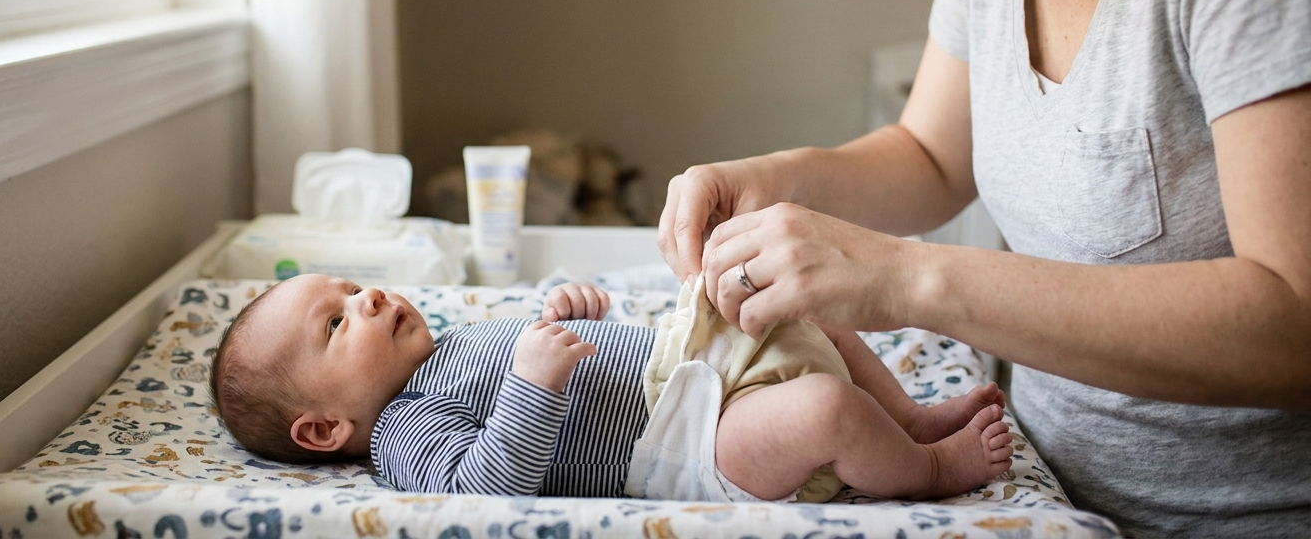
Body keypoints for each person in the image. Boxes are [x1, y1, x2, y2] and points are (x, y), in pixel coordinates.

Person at [663, 0, 1311, 535]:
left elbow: (1294, 319)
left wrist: (906, 278)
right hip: (1039, 500)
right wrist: (766, 182)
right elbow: (931, 158)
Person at [209, 273, 1013, 501]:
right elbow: (486, 488)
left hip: (689, 363)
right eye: (335, 326)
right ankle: (934, 472)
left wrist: (570, 313)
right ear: (321, 429)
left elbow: (548, 348)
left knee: (795, 302)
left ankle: (907, 420)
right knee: (824, 412)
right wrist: (532, 384)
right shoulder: (401, 433)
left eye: (352, 287)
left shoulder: (446, 347)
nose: (368, 300)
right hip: (693, 448)